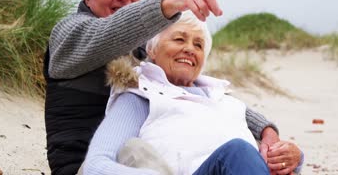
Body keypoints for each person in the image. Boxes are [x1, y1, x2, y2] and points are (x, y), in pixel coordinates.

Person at [44, 0, 283, 175]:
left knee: (233, 153)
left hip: (146, 160)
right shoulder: (69, 35)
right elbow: (108, 34)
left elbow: (197, 96)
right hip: (91, 166)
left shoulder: (144, 51)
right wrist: (170, 4)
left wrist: (265, 130)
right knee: (136, 151)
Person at [82, 11, 304, 174]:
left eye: (198, 45)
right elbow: (96, 166)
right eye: (179, 39)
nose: (190, 48)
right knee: (238, 151)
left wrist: (294, 158)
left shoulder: (224, 100)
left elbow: (260, 158)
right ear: (152, 50)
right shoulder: (141, 96)